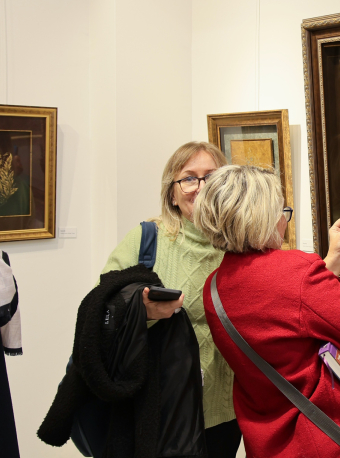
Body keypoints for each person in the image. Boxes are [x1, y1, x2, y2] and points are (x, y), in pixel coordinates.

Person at [194, 165, 340, 458]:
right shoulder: (292, 271)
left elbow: (288, 314)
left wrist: (332, 260)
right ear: (261, 218)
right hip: (325, 442)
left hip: (267, 443)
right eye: (281, 211)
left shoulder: (214, 287)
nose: (283, 220)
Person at [100, 141, 240, 456]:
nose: (201, 187)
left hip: (224, 411)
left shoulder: (241, 245)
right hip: (157, 407)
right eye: (189, 178)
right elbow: (100, 305)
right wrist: (142, 311)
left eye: (211, 177)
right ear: (172, 193)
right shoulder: (146, 239)